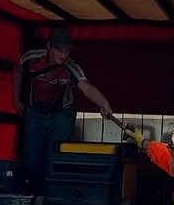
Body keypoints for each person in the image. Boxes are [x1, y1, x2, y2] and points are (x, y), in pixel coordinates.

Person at [12, 24, 114, 194]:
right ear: (49, 46)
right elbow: (17, 71)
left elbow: (87, 87)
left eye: (67, 50)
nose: (63, 54)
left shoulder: (72, 67)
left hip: (62, 114)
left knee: (55, 154)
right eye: (59, 50)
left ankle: (54, 195)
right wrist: (16, 100)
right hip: (35, 113)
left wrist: (103, 103)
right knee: (31, 159)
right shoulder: (31, 58)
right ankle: (31, 196)